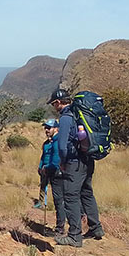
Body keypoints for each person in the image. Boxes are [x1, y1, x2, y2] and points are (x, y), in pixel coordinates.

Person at [47, 88, 105, 247]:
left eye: (53, 104)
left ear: (58, 102)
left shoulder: (66, 117)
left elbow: (63, 145)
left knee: (71, 197)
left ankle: (74, 236)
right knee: (86, 193)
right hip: (88, 159)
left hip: (74, 162)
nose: (54, 107)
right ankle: (96, 229)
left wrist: (63, 162)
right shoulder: (79, 113)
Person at [35, 119, 66, 235]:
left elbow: (56, 161)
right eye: (45, 128)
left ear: (56, 128)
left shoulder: (57, 142)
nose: (46, 130)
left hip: (55, 172)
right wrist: (41, 167)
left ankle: (60, 228)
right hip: (48, 170)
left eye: (49, 128)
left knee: (59, 200)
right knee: (51, 193)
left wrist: (47, 167)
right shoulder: (49, 143)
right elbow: (43, 156)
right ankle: (41, 202)